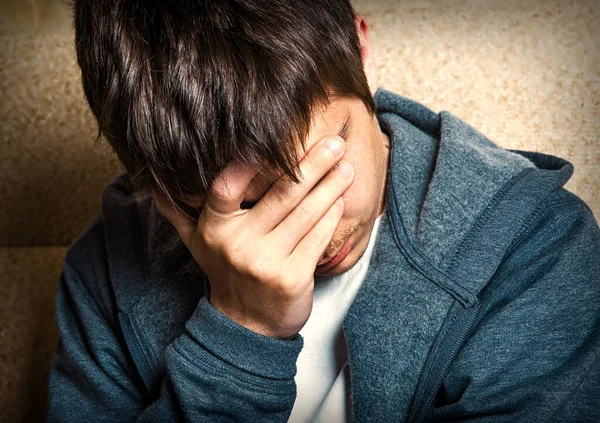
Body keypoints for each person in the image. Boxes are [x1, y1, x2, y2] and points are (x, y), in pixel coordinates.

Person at [47, 1, 600, 422]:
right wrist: (241, 333)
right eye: (243, 207)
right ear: (160, 190)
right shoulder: (104, 271)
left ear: (360, 53)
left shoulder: (538, 248)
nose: (313, 233)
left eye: (320, 167)